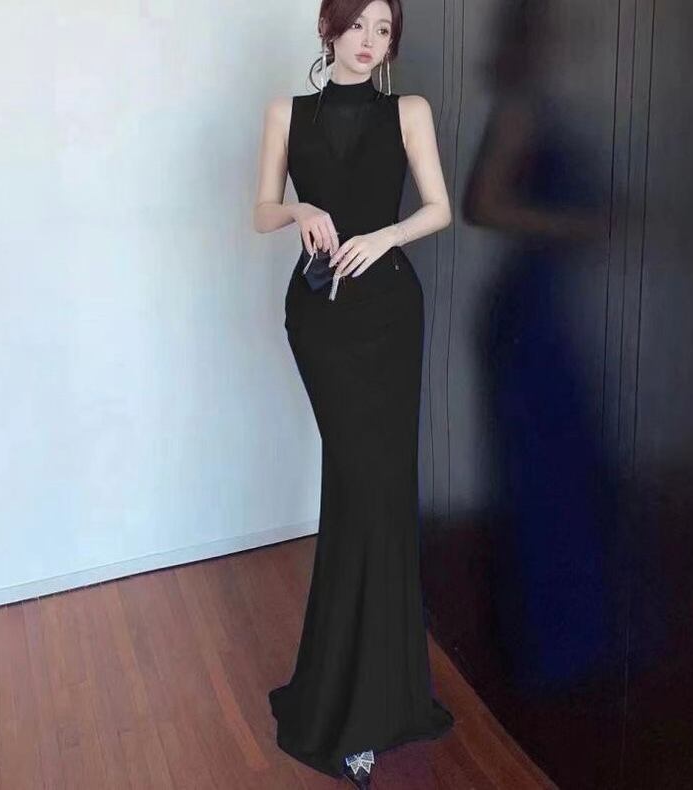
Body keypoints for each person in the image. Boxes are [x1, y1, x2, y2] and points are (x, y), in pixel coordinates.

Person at [253, 1, 454, 784]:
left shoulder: (409, 111)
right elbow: (259, 212)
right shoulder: (286, 112)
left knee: (378, 491)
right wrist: (300, 207)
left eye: (384, 30)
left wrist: (386, 235)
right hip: (321, 319)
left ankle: (376, 704)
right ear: (329, 28)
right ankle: (347, 697)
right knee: (357, 483)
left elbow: (439, 208)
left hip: (390, 314)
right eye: (359, 25)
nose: (370, 42)